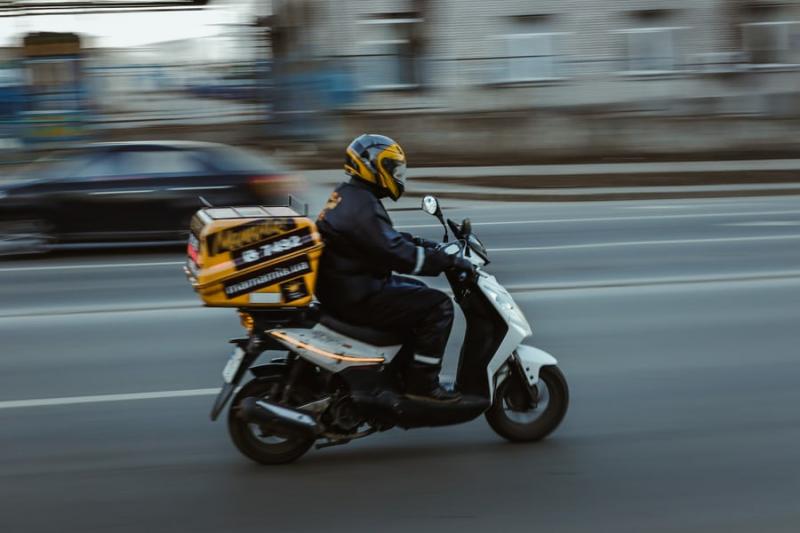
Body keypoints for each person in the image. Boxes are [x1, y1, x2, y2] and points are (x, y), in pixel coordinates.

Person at [315, 133, 474, 402]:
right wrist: (446, 260)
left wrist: (425, 243)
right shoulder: (362, 205)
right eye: (392, 169)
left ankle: (398, 371)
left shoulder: (350, 195)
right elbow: (397, 254)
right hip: (358, 294)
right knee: (438, 306)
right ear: (373, 167)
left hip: (346, 286)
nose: (397, 176)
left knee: (417, 292)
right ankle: (423, 385)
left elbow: (381, 239)